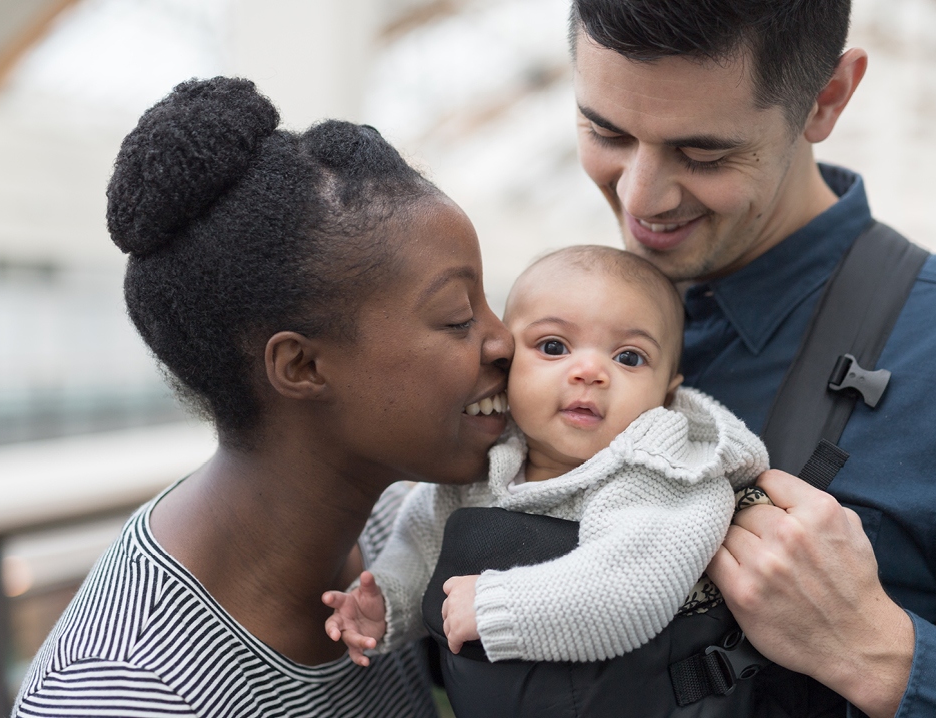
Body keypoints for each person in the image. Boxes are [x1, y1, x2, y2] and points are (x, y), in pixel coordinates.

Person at [567, 1, 936, 717]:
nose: (640, 195)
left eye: (704, 154)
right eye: (605, 132)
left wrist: (879, 654)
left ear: (828, 99)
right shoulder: (553, 321)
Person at [12, 77, 514, 717]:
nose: (504, 342)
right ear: (301, 365)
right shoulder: (125, 694)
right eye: (456, 316)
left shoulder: (403, 534)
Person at [323, 245, 770, 670]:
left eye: (629, 357)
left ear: (666, 393)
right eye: (554, 347)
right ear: (507, 361)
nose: (590, 372)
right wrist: (387, 602)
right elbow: (420, 542)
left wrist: (496, 606)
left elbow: (631, 592)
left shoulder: (664, 476)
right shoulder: (491, 458)